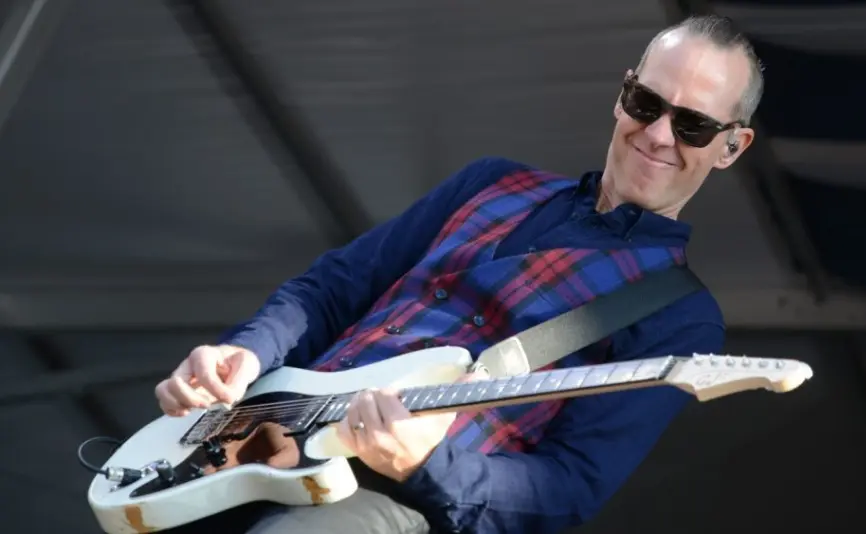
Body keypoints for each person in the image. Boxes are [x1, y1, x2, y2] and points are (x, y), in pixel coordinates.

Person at [154, 14, 762, 534]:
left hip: (385, 500)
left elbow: (568, 488)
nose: (657, 134)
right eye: (646, 104)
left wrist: (425, 464)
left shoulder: (680, 315)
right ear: (622, 94)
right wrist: (247, 353)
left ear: (732, 147)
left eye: (693, 126)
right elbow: (332, 287)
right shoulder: (491, 181)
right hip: (260, 433)